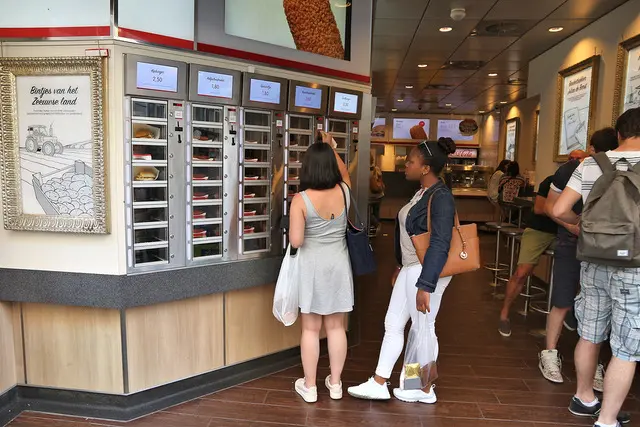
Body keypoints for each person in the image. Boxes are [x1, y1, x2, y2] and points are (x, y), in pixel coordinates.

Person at [347, 138, 457, 404]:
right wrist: (400, 265)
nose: (404, 164)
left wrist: (426, 284)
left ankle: (423, 387)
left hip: (425, 271)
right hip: (412, 267)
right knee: (393, 324)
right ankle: (380, 382)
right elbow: (411, 236)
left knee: (423, 328)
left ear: (425, 168)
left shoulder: (441, 197)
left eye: (410, 161)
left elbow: (440, 243)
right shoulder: (422, 192)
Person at [553, 109, 640, 427]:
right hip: (635, 265)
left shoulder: (591, 164)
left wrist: (584, 228)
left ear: (618, 134)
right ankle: (606, 420)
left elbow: (560, 209)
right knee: (627, 346)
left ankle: (584, 397)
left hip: (593, 259)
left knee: (590, 333)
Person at [542, 133, 618, 389]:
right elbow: (552, 208)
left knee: (592, 304)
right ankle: (553, 354)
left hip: (593, 246)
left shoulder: (580, 167)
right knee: (568, 299)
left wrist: (574, 225)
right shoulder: (575, 169)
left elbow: (552, 207)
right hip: (586, 245)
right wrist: (575, 226)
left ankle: (585, 361)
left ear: (591, 147)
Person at [288, 137, 353, 404]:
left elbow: (296, 241)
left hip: (312, 268)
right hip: (339, 265)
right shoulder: (345, 191)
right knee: (336, 327)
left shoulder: (301, 200)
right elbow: (346, 173)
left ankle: (311, 386)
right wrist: (334, 149)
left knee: (311, 329)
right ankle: (335, 384)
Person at [497, 171, 559, 337]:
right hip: (538, 230)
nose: (575, 162)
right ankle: (504, 313)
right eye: (572, 158)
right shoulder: (551, 181)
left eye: (579, 159)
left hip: (564, 233)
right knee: (522, 272)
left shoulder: (586, 182)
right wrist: (564, 212)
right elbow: (539, 208)